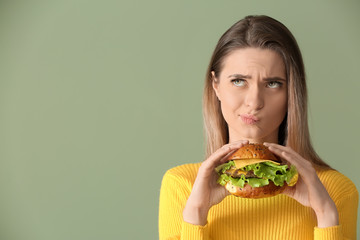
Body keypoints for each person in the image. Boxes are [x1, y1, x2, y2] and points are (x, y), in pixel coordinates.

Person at [158, 15, 358, 240]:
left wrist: (326, 215)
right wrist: (195, 214)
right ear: (216, 86)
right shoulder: (182, 185)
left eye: (273, 83)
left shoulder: (335, 190)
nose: (254, 102)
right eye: (238, 81)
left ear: (292, 92)